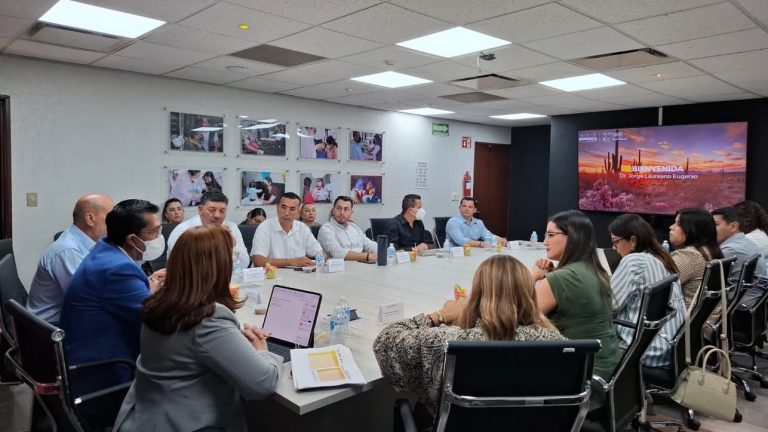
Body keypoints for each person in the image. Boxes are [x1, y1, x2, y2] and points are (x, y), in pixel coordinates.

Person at [113, 226, 282, 432]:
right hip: (187, 424)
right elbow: (263, 384)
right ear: (218, 265)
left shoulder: (159, 301)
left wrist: (235, 341)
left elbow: (188, 349)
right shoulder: (208, 317)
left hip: (145, 417)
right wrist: (262, 351)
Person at [374, 255, 564, 418]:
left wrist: (439, 316)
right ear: (528, 294)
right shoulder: (555, 342)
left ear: (478, 296)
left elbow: (385, 341)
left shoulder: (452, 342)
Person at [60, 199, 166, 397]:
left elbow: (132, 297)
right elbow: (159, 319)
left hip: (90, 351)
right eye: (154, 232)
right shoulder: (117, 269)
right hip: (103, 372)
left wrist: (150, 284)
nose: (159, 237)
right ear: (132, 239)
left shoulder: (106, 249)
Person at [530, 210, 620, 411]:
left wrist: (534, 277)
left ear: (573, 237)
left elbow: (515, 315)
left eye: (551, 235)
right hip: (608, 371)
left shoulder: (562, 279)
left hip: (581, 380)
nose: (545, 241)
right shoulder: (593, 269)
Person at [608, 213, 685, 368]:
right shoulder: (662, 258)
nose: (614, 248)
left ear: (633, 240)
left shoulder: (634, 260)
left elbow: (609, 305)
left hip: (644, 350)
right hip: (668, 346)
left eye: (615, 242)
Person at [27, 194, 114, 324]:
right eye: (111, 218)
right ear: (90, 219)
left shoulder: (91, 243)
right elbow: (92, 300)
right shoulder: (68, 251)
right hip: (51, 330)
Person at [166, 190, 249, 269]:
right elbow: (182, 267)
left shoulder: (231, 227)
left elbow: (244, 264)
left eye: (222, 211)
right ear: (200, 209)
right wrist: (220, 244)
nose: (217, 215)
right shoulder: (183, 230)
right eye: (211, 210)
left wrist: (233, 245)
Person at [712, 207, 767, 307]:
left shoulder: (731, 249)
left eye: (715, 224)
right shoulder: (745, 242)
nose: (710, 229)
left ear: (733, 226)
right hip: (752, 305)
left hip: (739, 309)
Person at [250, 192, 323, 268]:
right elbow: (258, 261)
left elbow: (319, 253)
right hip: (271, 276)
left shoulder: (303, 228)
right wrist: (292, 262)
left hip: (297, 276)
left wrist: (320, 260)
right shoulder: (264, 227)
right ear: (277, 208)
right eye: (283, 207)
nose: (287, 213)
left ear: (298, 213)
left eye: (292, 209)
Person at [669, 208, 723, 308]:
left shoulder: (689, 255)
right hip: (708, 317)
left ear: (692, 229)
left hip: (687, 319)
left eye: (678, 224)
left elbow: (658, 286)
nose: (671, 227)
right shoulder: (708, 249)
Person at [318, 196, 378, 261]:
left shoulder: (354, 227)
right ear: (333, 211)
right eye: (339, 208)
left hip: (361, 264)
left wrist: (384, 251)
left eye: (346, 209)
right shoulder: (326, 229)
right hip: (341, 267)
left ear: (351, 213)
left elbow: (369, 244)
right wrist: (367, 256)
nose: (342, 213)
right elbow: (337, 253)